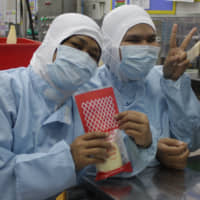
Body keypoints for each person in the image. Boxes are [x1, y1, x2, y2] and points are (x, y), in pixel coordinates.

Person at [73, 5, 200, 177]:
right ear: (111, 45)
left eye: (151, 39)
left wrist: (174, 83)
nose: (145, 47)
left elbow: (191, 141)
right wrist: (152, 150)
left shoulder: (163, 78)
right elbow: (88, 164)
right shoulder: (88, 87)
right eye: (134, 40)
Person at [0, 13, 112, 200]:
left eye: (93, 55)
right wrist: (67, 160)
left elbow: (109, 168)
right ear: (52, 43)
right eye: (76, 46)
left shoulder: (90, 100)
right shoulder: (7, 90)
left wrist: (140, 145)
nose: (83, 58)